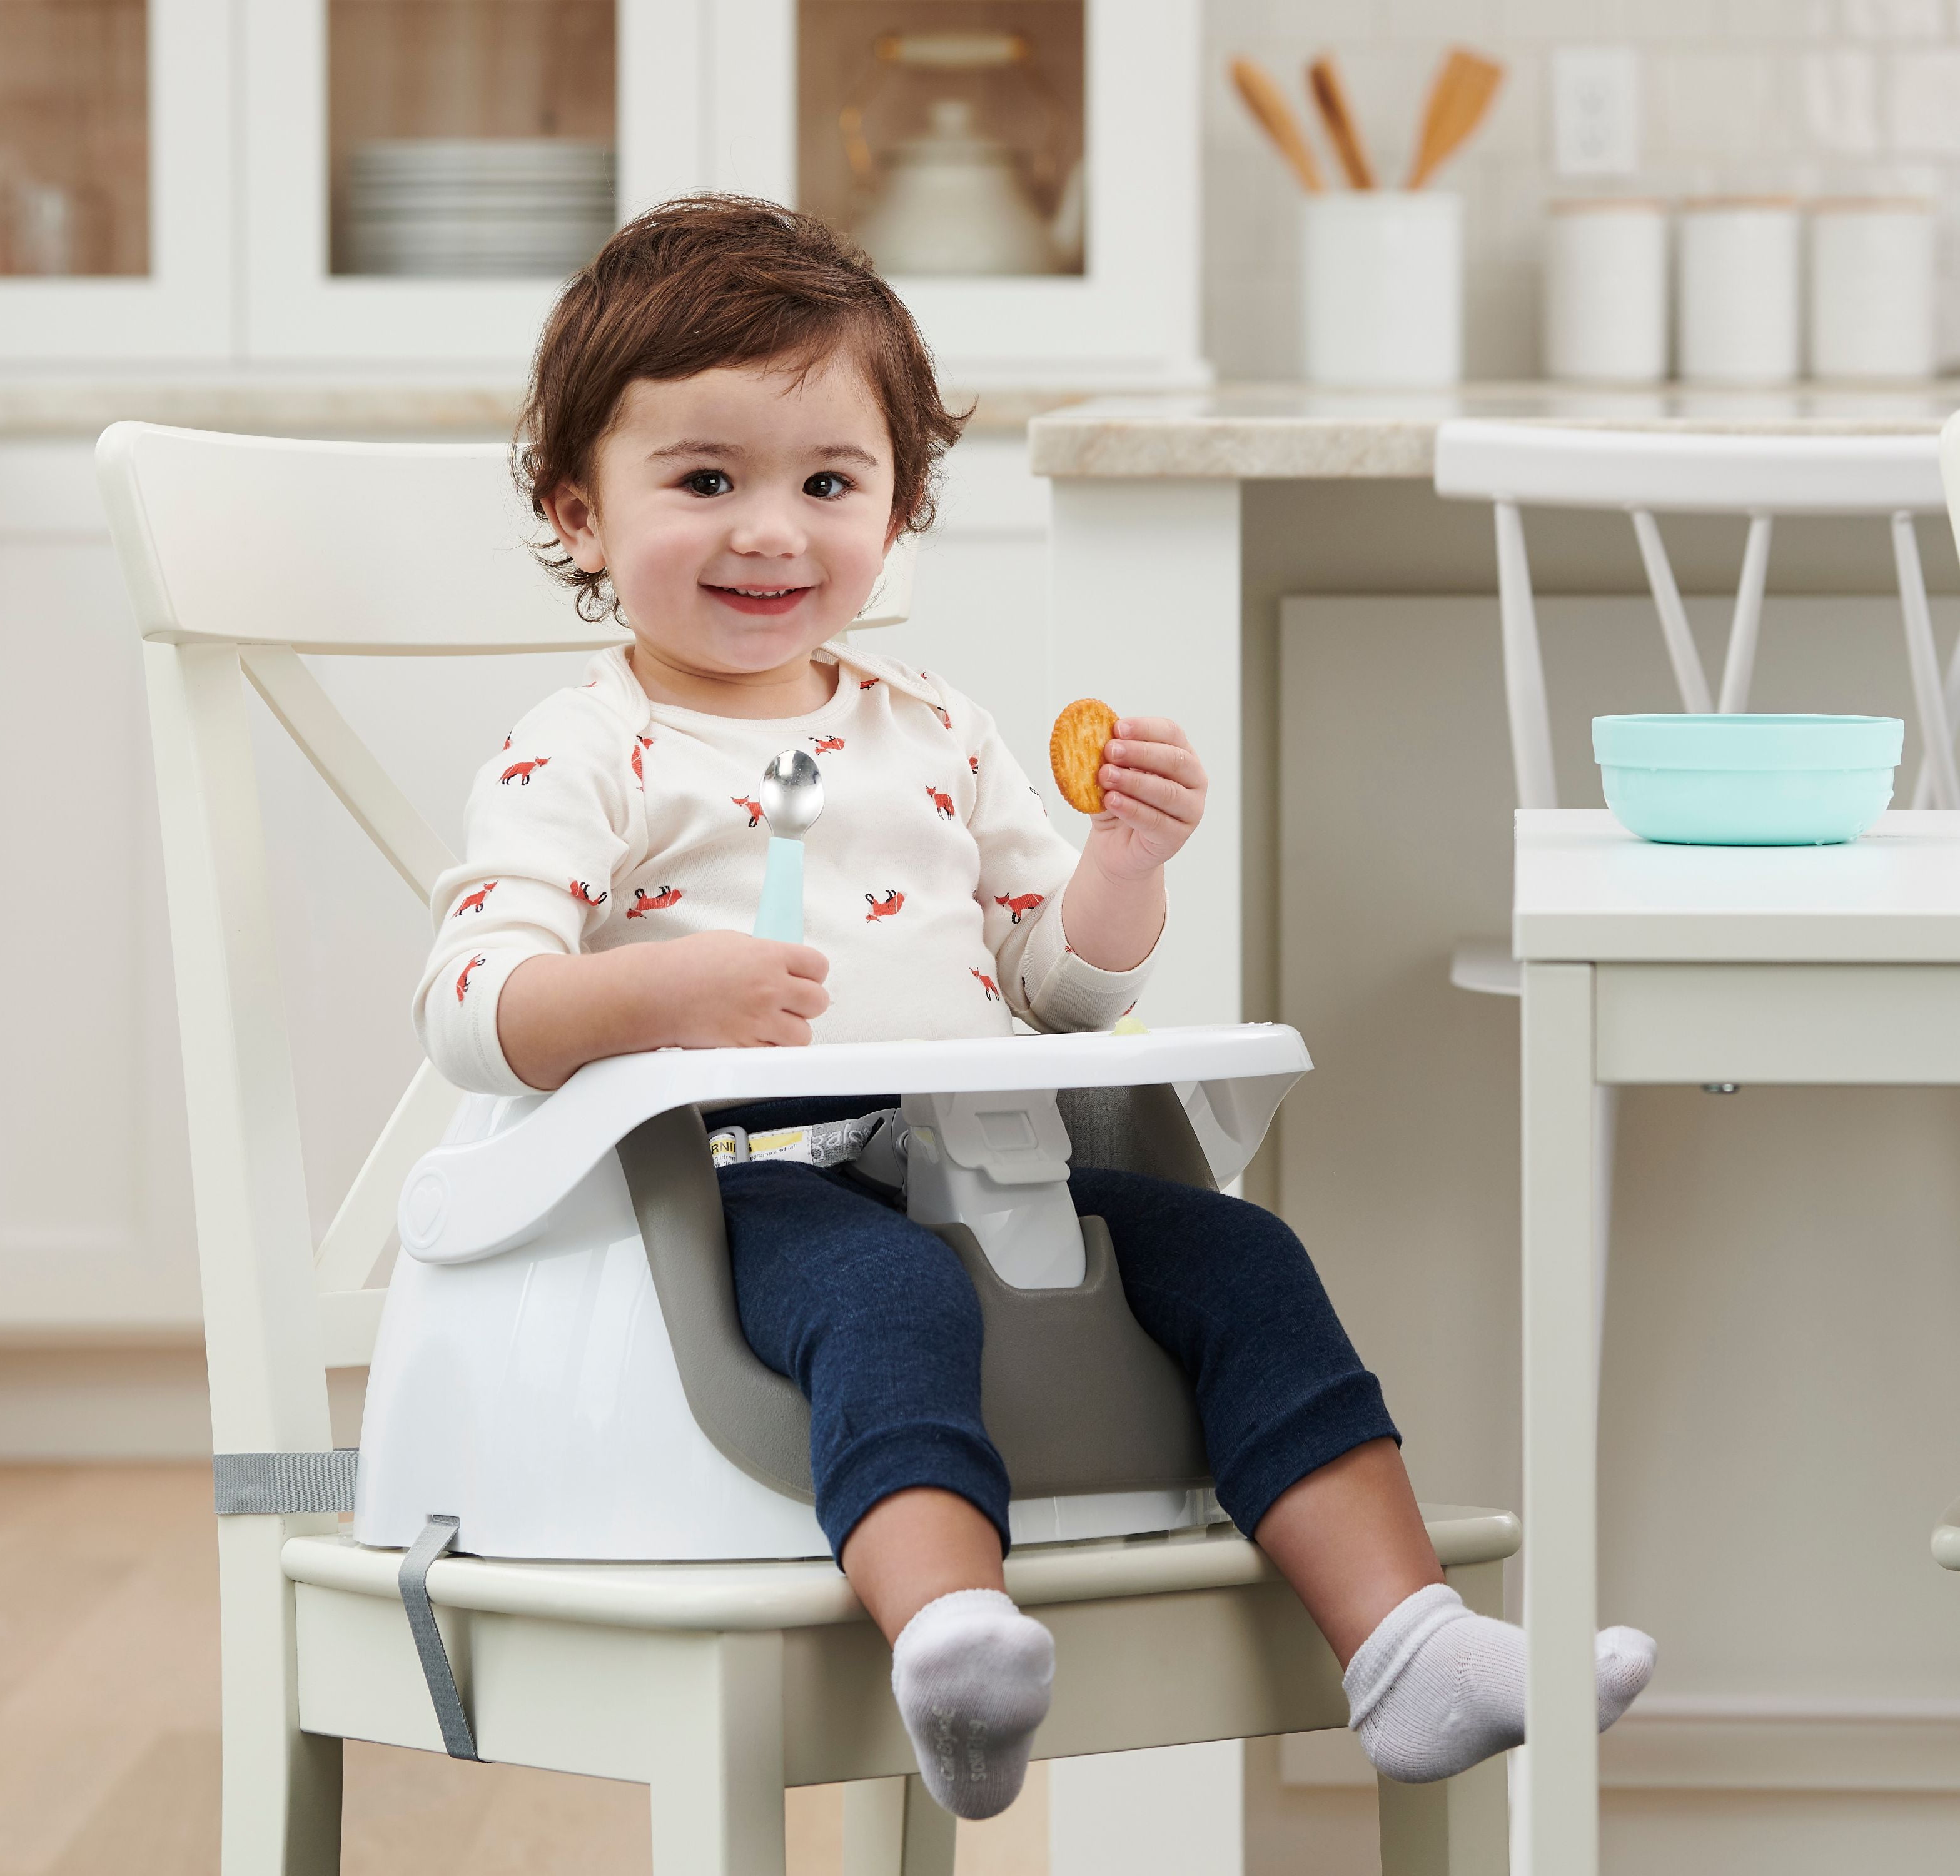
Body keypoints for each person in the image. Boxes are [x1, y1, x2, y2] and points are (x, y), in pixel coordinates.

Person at [415, 194, 1654, 1821]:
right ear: (581, 512)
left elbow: (1064, 995)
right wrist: (650, 996)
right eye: (705, 480)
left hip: (977, 1160)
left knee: (1239, 1251)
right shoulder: (581, 752)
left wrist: (1123, 865)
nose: (772, 531)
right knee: (885, 1299)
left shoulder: (937, 729)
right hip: (710, 1202)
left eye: (828, 483)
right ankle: (951, 1635)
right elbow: (468, 1001)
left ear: (903, 507)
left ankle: (1407, 1645)